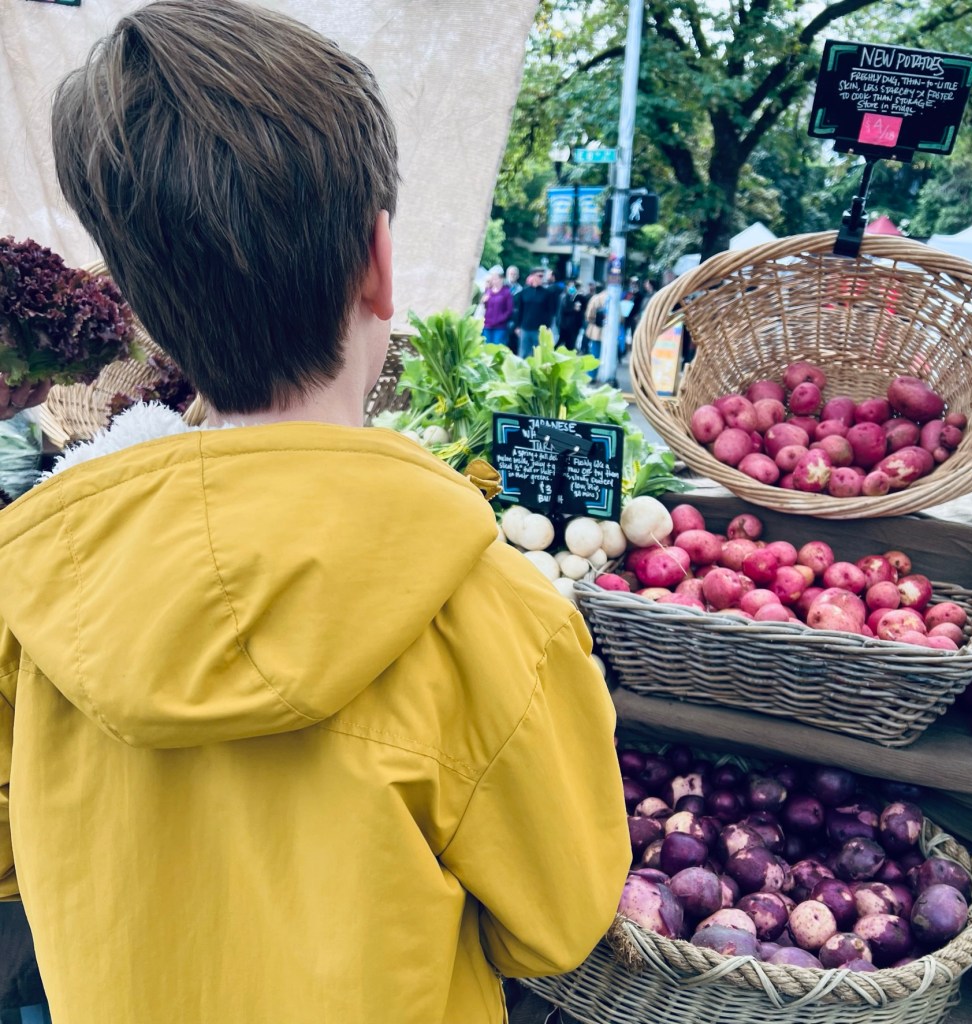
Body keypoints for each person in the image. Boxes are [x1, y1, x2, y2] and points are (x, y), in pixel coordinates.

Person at [0, 4, 631, 1023]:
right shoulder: (493, 619)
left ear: (143, 309)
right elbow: (558, 921)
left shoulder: (32, 585)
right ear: (381, 263)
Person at [516, 268, 558, 358]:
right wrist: (517, 326)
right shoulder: (524, 292)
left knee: (538, 355)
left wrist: (548, 327)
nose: (541, 278)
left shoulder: (547, 293)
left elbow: (551, 312)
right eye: (539, 276)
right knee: (523, 353)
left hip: (540, 330)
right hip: (525, 328)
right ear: (532, 277)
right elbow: (520, 310)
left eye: (542, 276)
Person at [480, 268, 514, 347]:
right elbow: (484, 307)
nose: (494, 281)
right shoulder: (488, 291)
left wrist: (500, 319)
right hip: (487, 325)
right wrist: (483, 301)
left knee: (497, 348)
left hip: (500, 327)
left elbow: (509, 310)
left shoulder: (506, 293)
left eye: (496, 278)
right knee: (486, 348)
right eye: (493, 279)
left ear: (501, 279)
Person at [556, 280, 586, 351]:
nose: (573, 288)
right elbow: (565, 309)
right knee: (563, 342)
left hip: (574, 325)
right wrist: (573, 308)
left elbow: (583, 306)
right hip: (565, 325)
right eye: (571, 286)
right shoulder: (564, 297)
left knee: (570, 344)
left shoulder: (577, 296)